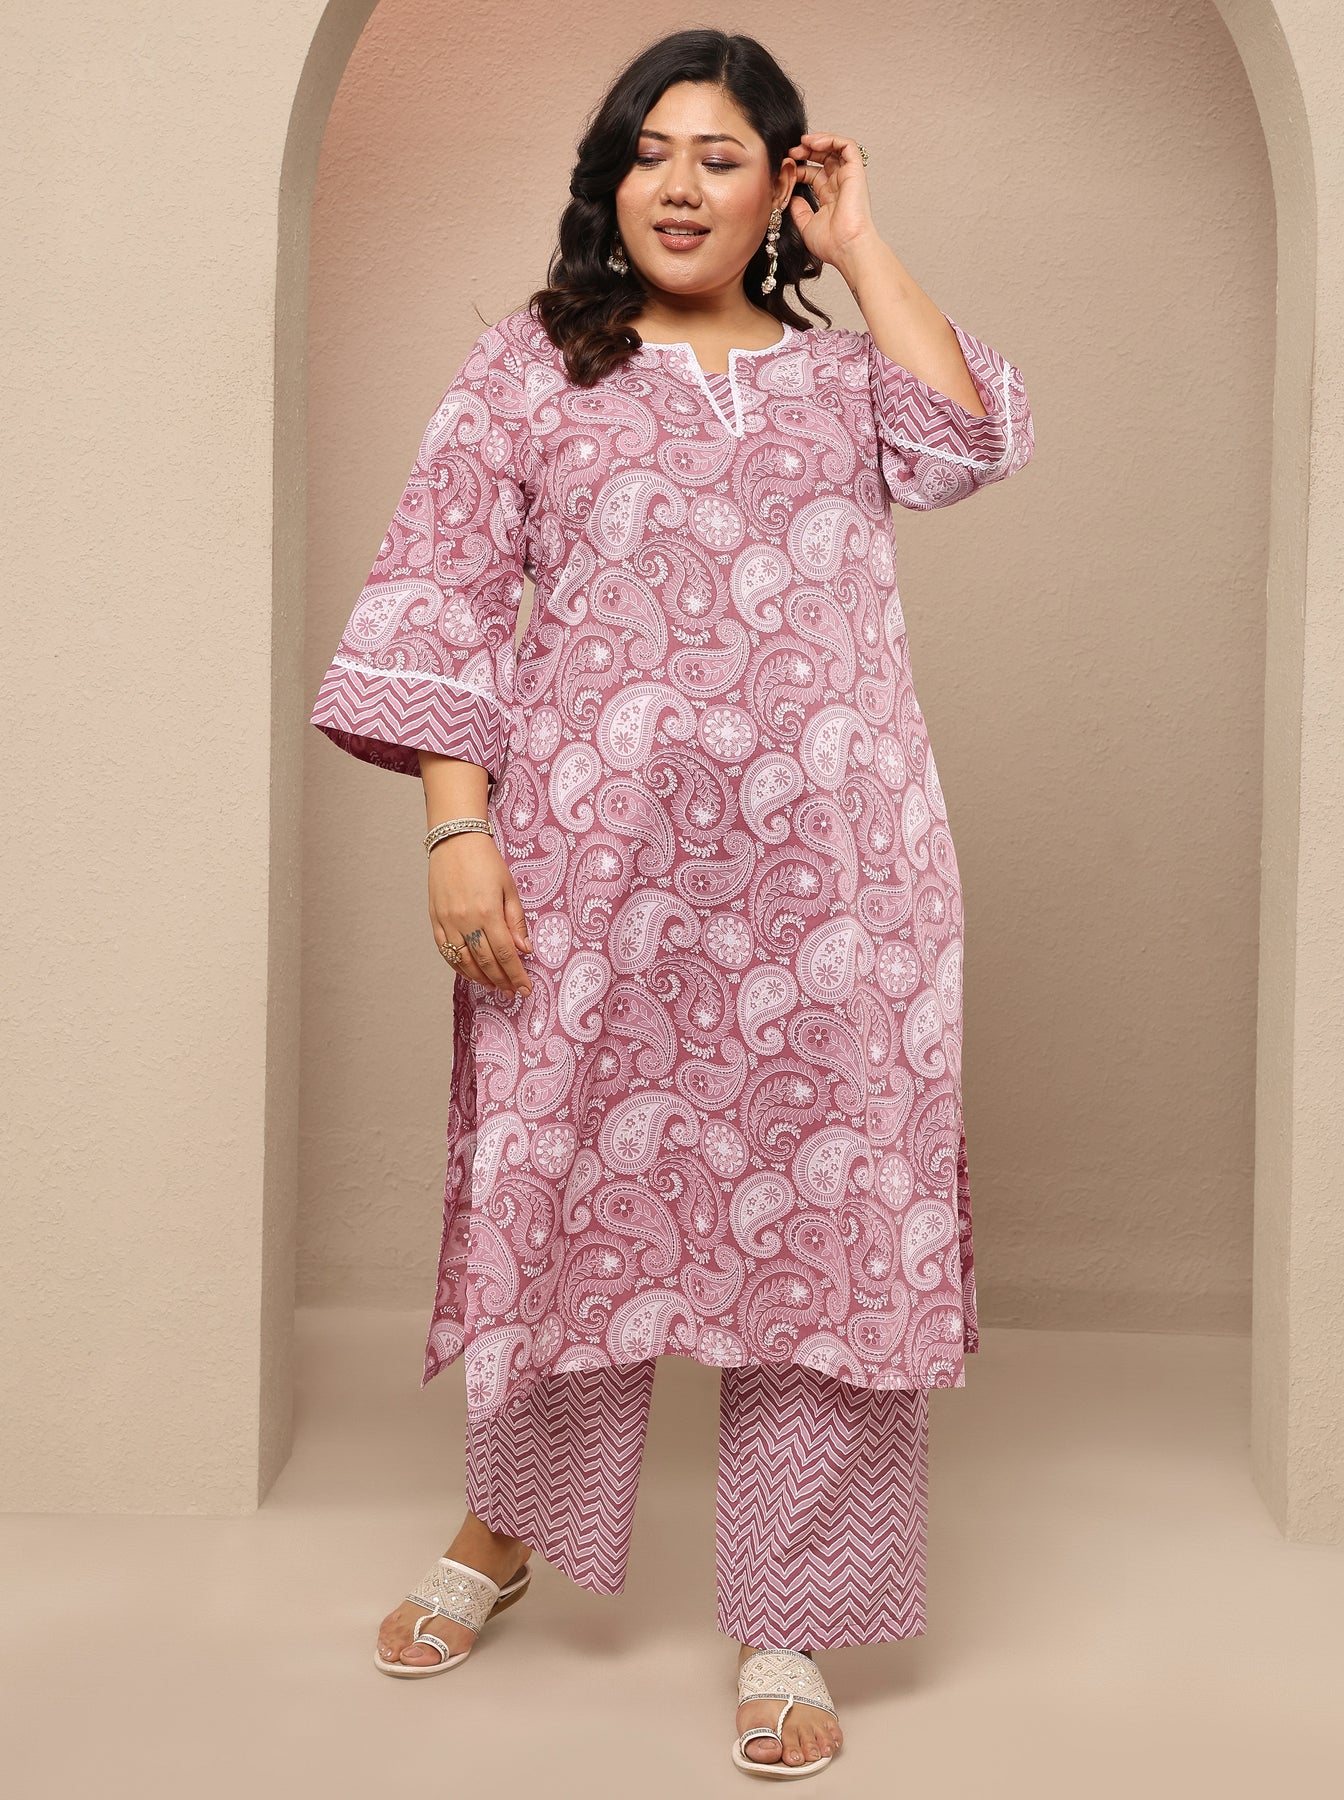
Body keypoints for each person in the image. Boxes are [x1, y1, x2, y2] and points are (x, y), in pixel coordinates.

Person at [309, 26, 1034, 1779]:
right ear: (607, 179)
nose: (678, 186)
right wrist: (455, 833)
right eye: (648, 152)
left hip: (835, 892)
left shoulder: (843, 378)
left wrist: (860, 244)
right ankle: (505, 1531)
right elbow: (440, 601)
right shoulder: (528, 367)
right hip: (589, 882)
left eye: (721, 157)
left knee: (824, 1227)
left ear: (780, 184)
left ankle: (789, 1616)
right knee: (568, 1200)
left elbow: (966, 442)